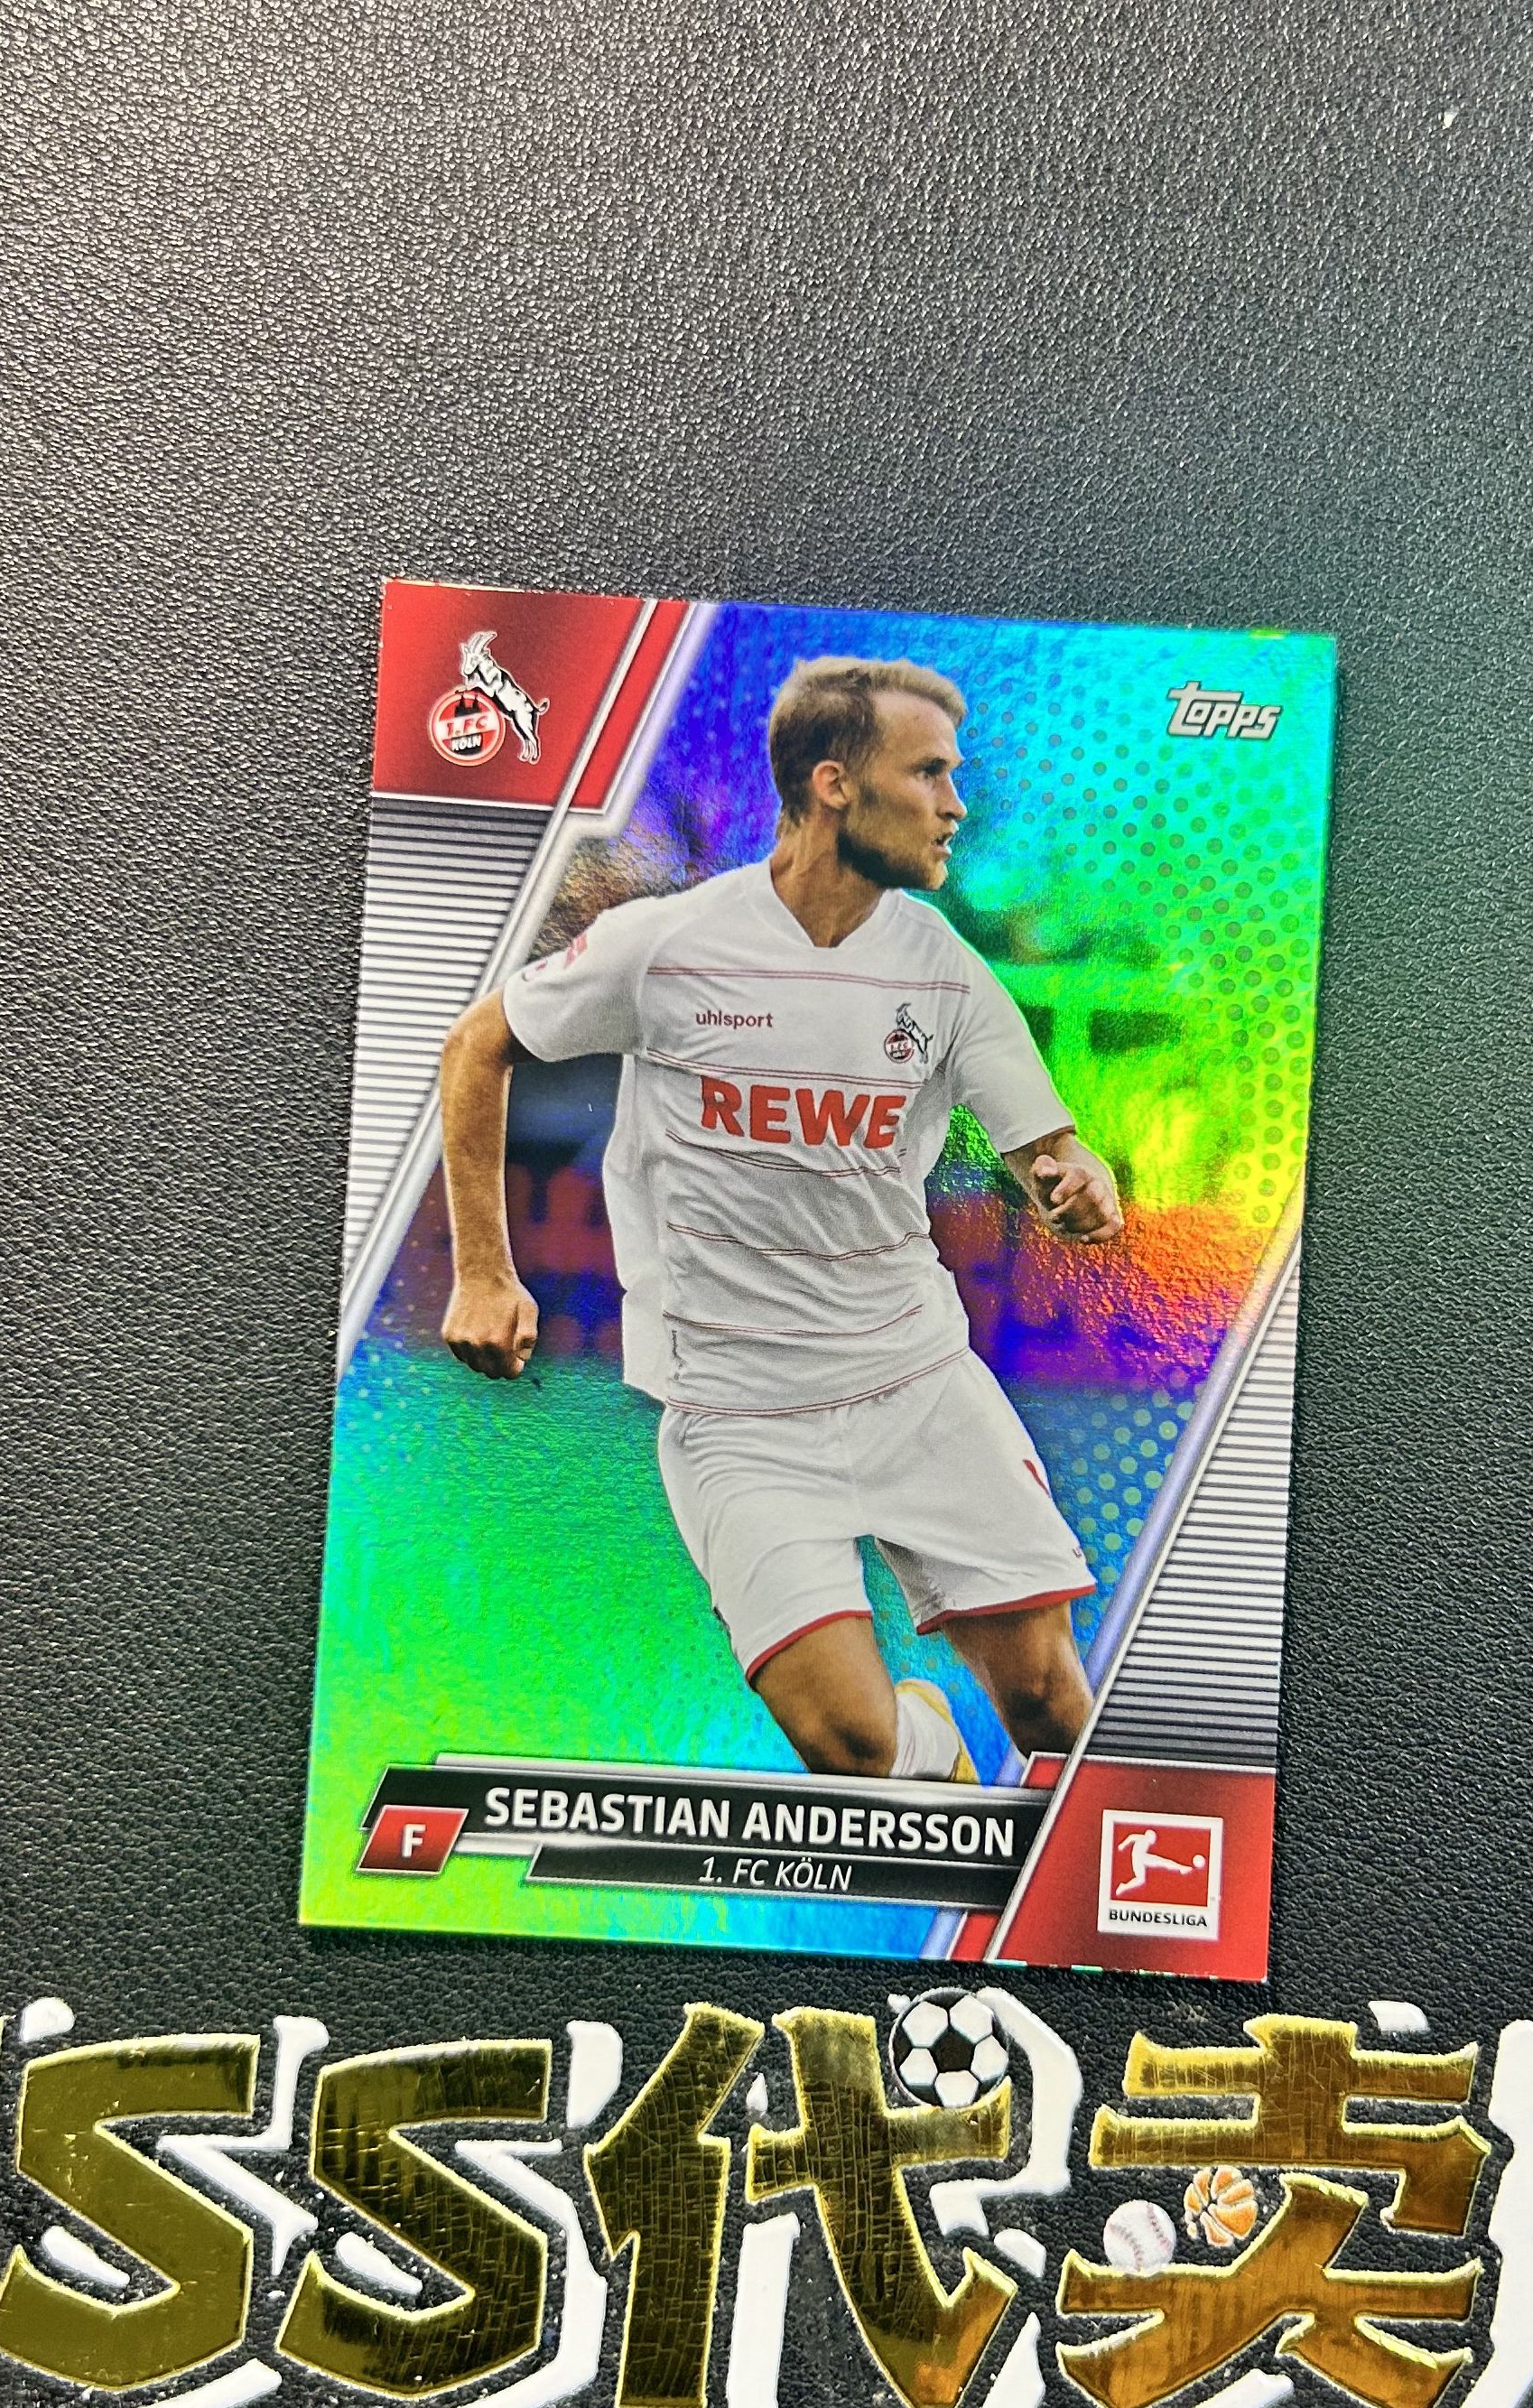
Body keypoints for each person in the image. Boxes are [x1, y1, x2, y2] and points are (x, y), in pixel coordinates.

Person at [433, 655, 1124, 1784]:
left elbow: (1045, 1142)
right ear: (835, 784)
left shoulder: (942, 971)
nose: (955, 805)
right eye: (930, 773)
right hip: (735, 1413)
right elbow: (479, 1043)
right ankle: (927, 1741)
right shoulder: (668, 944)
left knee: (1054, 1708)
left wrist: (1072, 1176)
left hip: (915, 1383)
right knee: (853, 1749)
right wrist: (482, 1271)